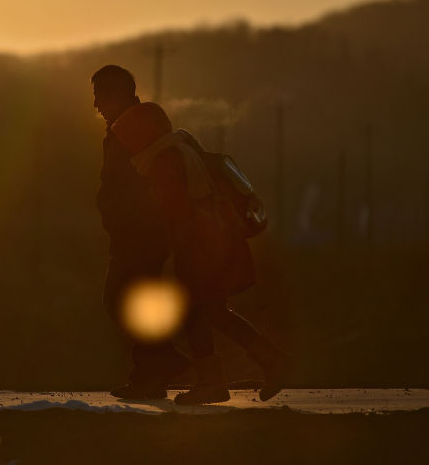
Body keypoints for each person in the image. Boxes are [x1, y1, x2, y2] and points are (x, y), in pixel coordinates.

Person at [110, 98, 291, 405]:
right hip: (213, 243)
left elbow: (173, 211)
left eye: (128, 138)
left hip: (199, 248)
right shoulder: (180, 148)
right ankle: (268, 362)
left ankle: (214, 382)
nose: (126, 146)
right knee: (212, 311)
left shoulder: (164, 160)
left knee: (195, 312)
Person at [91, 65, 189, 399]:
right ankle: (151, 377)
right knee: (135, 302)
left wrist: (126, 220)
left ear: (116, 94)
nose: (95, 105)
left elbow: (133, 185)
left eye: (99, 96)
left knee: (119, 299)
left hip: (139, 235)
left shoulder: (132, 130)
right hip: (139, 234)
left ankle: (165, 362)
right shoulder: (131, 126)